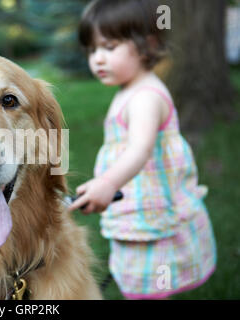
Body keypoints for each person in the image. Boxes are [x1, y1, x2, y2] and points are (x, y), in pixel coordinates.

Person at [68, 0, 217, 299]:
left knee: (151, 284)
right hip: (140, 207)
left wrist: (108, 183)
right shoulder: (131, 89)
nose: (97, 59)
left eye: (109, 47)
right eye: (92, 50)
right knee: (142, 277)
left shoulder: (145, 98)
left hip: (151, 215)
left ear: (147, 43)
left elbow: (140, 149)